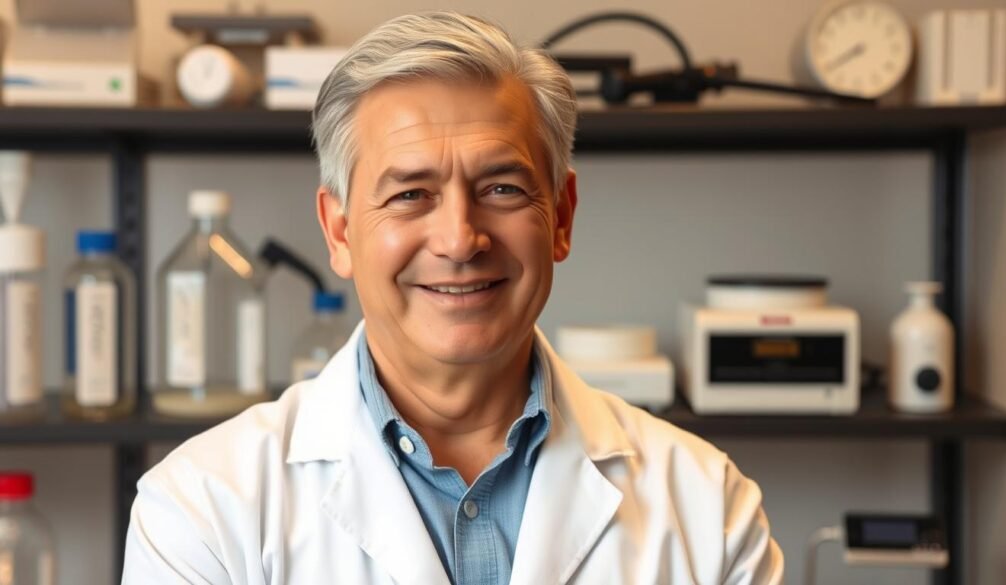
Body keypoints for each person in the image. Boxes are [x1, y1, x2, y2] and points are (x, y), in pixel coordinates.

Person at [122, 11, 784, 585]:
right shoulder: (203, 507)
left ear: (561, 217)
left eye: (502, 188)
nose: (461, 239)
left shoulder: (705, 504)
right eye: (410, 194)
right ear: (340, 230)